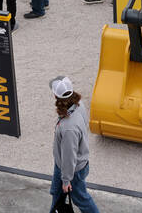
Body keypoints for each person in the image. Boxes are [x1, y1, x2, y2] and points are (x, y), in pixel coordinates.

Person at [49, 76, 100, 213]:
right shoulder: (78, 104)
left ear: (55, 95)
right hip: (68, 165)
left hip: (71, 170)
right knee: (56, 193)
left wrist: (66, 180)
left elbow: (69, 156)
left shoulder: (68, 127)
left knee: (82, 200)